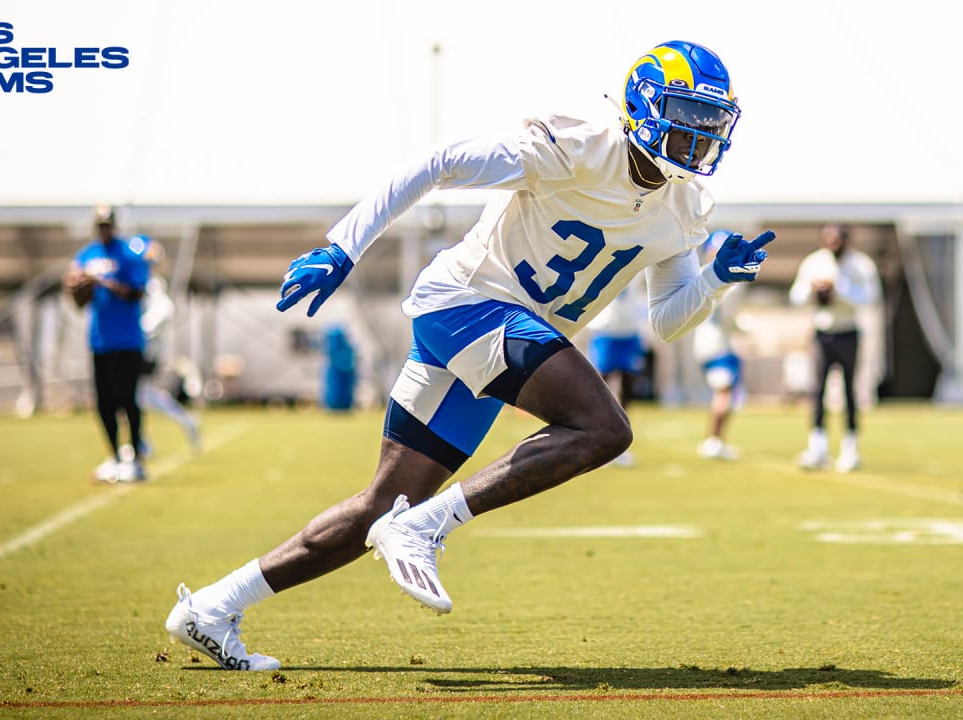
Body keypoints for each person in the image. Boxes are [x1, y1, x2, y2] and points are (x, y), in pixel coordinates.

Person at [165, 40, 774, 671]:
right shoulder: (577, 144)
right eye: (688, 115)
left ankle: (210, 608)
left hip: (502, 332)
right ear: (647, 105)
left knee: (383, 503)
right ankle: (426, 526)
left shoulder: (685, 205)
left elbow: (669, 320)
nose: (701, 136)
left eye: (711, 122)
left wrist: (714, 279)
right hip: (468, 302)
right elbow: (439, 163)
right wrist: (342, 249)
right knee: (603, 428)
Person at [64, 204, 149, 483]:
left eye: (107, 224)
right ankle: (113, 456)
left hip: (127, 340)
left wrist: (100, 281)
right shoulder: (86, 255)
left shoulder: (129, 254)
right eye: (99, 225)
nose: (103, 229)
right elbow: (78, 302)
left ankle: (135, 458)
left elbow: (137, 292)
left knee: (128, 400)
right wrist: (77, 287)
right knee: (104, 403)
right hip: (100, 341)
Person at [789, 223, 879, 472]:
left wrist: (839, 289)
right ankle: (817, 447)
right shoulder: (814, 262)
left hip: (848, 332)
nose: (833, 245)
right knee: (817, 390)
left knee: (850, 391)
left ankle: (850, 448)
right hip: (822, 333)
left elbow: (870, 298)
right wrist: (814, 289)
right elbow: (795, 296)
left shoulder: (861, 264)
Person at [120, 235, 201, 461]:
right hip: (139, 348)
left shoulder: (151, 286)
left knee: (129, 396)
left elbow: (163, 311)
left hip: (144, 351)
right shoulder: (143, 283)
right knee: (139, 396)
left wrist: (139, 331)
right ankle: (179, 425)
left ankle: (141, 443)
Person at [585, 279, 649, 467]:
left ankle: (617, 441)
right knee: (597, 385)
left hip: (630, 330)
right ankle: (594, 438)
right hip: (606, 329)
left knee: (628, 387)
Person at [693, 234, 746, 461]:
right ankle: (714, 440)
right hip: (717, 343)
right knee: (723, 392)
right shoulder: (725, 280)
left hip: (705, 342)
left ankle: (715, 440)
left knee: (723, 391)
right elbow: (727, 317)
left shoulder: (700, 275)